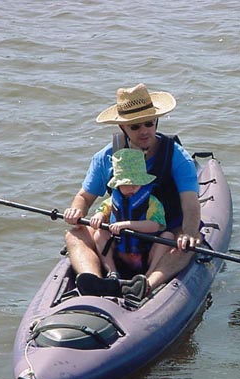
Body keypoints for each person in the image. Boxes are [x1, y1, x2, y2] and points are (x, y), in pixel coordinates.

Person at [63, 83, 201, 298]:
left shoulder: (176, 156)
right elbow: (84, 197)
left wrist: (190, 233)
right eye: (135, 127)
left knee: (187, 244)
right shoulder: (105, 157)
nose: (144, 131)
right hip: (120, 235)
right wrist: (76, 211)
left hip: (165, 233)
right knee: (74, 235)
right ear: (123, 128)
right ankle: (95, 280)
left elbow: (190, 203)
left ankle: (146, 285)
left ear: (156, 122)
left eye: (149, 123)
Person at [79, 148, 173, 297]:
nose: (132, 187)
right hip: (121, 254)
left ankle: (147, 278)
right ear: (117, 185)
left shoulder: (152, 202)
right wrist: (98, 216)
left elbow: (155, 225)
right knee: (99, 234)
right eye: (126, 184)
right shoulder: (113, 201)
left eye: (136, 183)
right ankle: (112, 273)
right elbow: (102, 210)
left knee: (168, 237)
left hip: (145, 253)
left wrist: (127, 224)